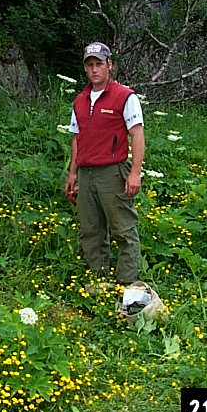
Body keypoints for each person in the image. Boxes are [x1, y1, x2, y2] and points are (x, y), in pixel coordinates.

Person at [64, 42, 144, 284]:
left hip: (113, 172)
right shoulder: (80, 100)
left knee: (123, 229)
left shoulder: (124, 96)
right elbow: (77, 137)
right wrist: (72, 172)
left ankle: (128, 285)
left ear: (110, 65)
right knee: (91, 230)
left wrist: (135, 173)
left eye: (99, 64)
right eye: (90, 65)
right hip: (86, 174)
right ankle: (99, 282)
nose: (94, 69)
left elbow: (137, 134)